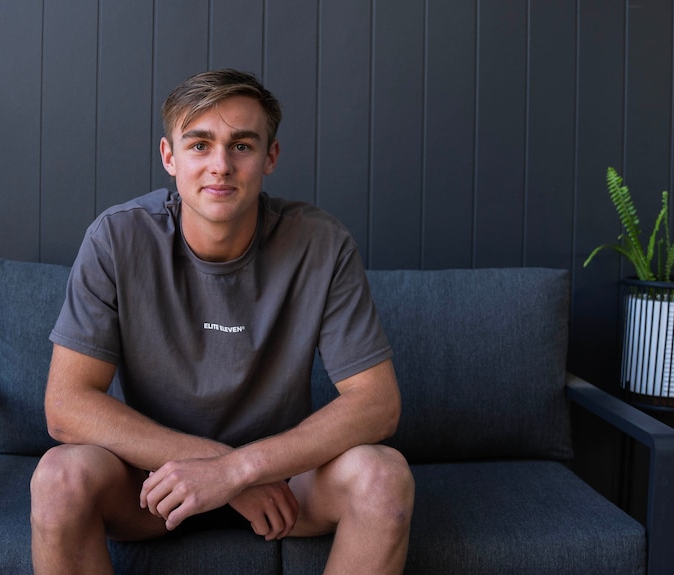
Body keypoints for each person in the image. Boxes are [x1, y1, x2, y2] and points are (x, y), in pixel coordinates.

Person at [30, 69, 415, 574]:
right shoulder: (115, 239)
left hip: (284, 488)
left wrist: (241, 470)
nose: (220, 166)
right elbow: (65, 406)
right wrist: (214, 468)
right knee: (58, 476)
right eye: (199, 145)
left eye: (241, 146)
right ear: (169, 157)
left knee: (385, 476)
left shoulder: (321, 244)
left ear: (270, 158)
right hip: (153, 488)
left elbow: (378, 403)